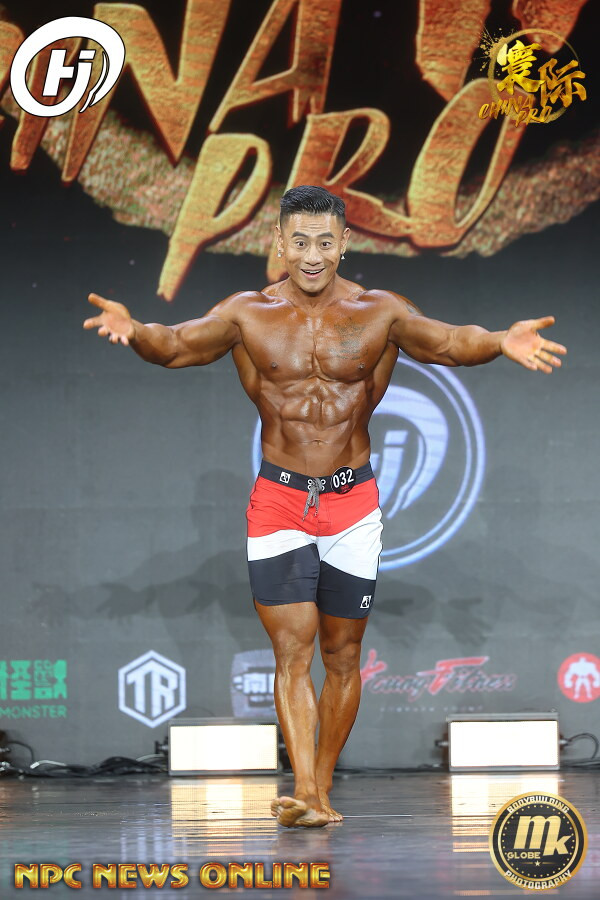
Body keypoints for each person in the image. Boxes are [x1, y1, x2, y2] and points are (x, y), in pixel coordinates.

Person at [83, 185, 566, 827]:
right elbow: (174, 344)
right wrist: (136, 331)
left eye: (324, 242)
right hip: (279, 501)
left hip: (352, 504)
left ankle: (322, 787)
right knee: (294, 649)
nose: (312, 255)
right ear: (280, 244)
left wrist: (501, 339)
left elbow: (451, 341)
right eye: (300, 242)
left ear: (344, 244)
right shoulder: (247, 314)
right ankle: (305, 791)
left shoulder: (379, 311)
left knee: (342, 654)